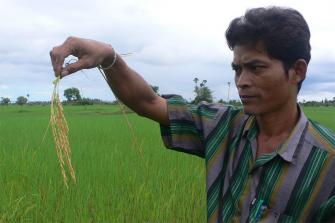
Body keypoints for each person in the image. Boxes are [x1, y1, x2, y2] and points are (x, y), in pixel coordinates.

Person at [50, 6, 335, 223]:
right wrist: (109, 57)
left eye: (256, 68)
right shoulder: (225, 126)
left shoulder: (328, 163)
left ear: (297, 71)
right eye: (237, 69)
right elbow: (148, 102)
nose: (242, 81)